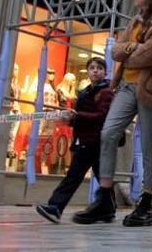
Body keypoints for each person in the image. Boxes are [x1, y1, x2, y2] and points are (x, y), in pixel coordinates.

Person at [73, 0, 152, 227]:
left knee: (147, 145)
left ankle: (146, 204)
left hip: (151, 89)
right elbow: (115, 51)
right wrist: (133, 47)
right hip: (125, 87)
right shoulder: (135, 22)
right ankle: (104, 200)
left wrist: (130, 50)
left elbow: (137, 59)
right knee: (108, 133)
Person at [35, 57, 114, 223]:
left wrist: (76, 117)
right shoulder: (85, 91)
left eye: (99, 68)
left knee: (74, 176)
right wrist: (70, 120)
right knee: (102, 175)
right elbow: (83, 118)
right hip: (86, 140)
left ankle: (55, 207)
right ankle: (108, 209)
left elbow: (102, 116)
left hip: (93, 141)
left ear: (105, 72)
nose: (95, 70)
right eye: (92, 67)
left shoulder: (106, 92)